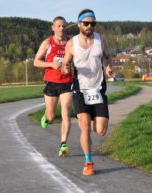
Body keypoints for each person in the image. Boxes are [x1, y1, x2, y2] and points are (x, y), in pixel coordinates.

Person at [61, 9, 112, 175]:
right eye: (86, 23)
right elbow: (65, 66)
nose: (90, 26)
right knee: (84, 126)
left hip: (98, 88)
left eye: (93, 23)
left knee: (101, 130)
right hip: (80, 89)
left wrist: (109, 67)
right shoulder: (71, 44)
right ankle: (88, 161)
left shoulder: (100, 40)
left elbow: (107, 57)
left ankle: (92, 125)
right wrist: (66, 68)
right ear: (79, 24)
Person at [34, 16, 73, 157]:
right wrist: (51, 64)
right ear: (53, 27)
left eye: (64, 26)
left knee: (66, 114)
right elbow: (36, 62)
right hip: (51, 82)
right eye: (59, 26)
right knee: (51, 117)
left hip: (67, 82)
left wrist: (68, 66)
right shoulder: (47, 42)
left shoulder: (71, 42)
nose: (61, 28)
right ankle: (46, 116)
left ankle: (63, 145)